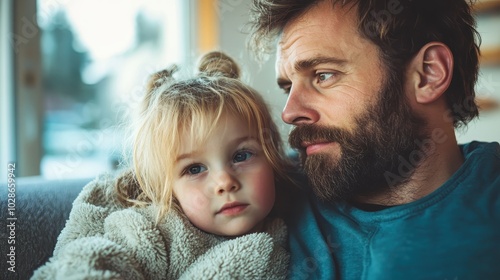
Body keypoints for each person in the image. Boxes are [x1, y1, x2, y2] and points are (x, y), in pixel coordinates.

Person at [247, 0, 500, 279]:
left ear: (428, 74)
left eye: (323, 75)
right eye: (287, 88)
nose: (289, 112)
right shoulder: (262, 194)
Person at [31, 51, 295, 279]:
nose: (225, 182)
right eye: (194, 169)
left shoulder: (296, 220)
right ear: (166, 189)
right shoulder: (158, 229)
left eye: (241, 156)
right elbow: (99, 256)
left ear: (271, 155)